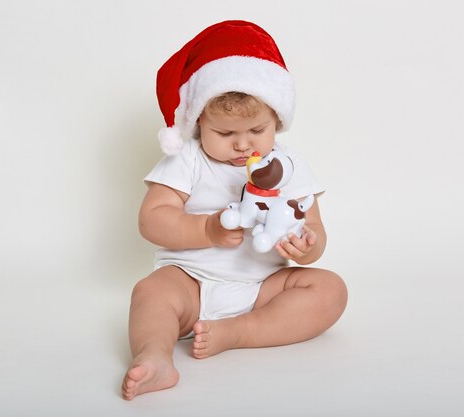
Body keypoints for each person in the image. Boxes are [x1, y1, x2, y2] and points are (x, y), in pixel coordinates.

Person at [122, 20, 347, 401]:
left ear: (277, 120)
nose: (243, 145)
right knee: (150, 292)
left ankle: (242, 331)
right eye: (225, 134)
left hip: (262, 289)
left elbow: (313, 226)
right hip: (191, 283)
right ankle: (155, 356)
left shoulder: (288, 165)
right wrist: (206, 230)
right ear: (198, 125)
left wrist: (307, 246)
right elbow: (152, 218)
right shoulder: (188, 159)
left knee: (330, 290)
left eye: (257, 130)